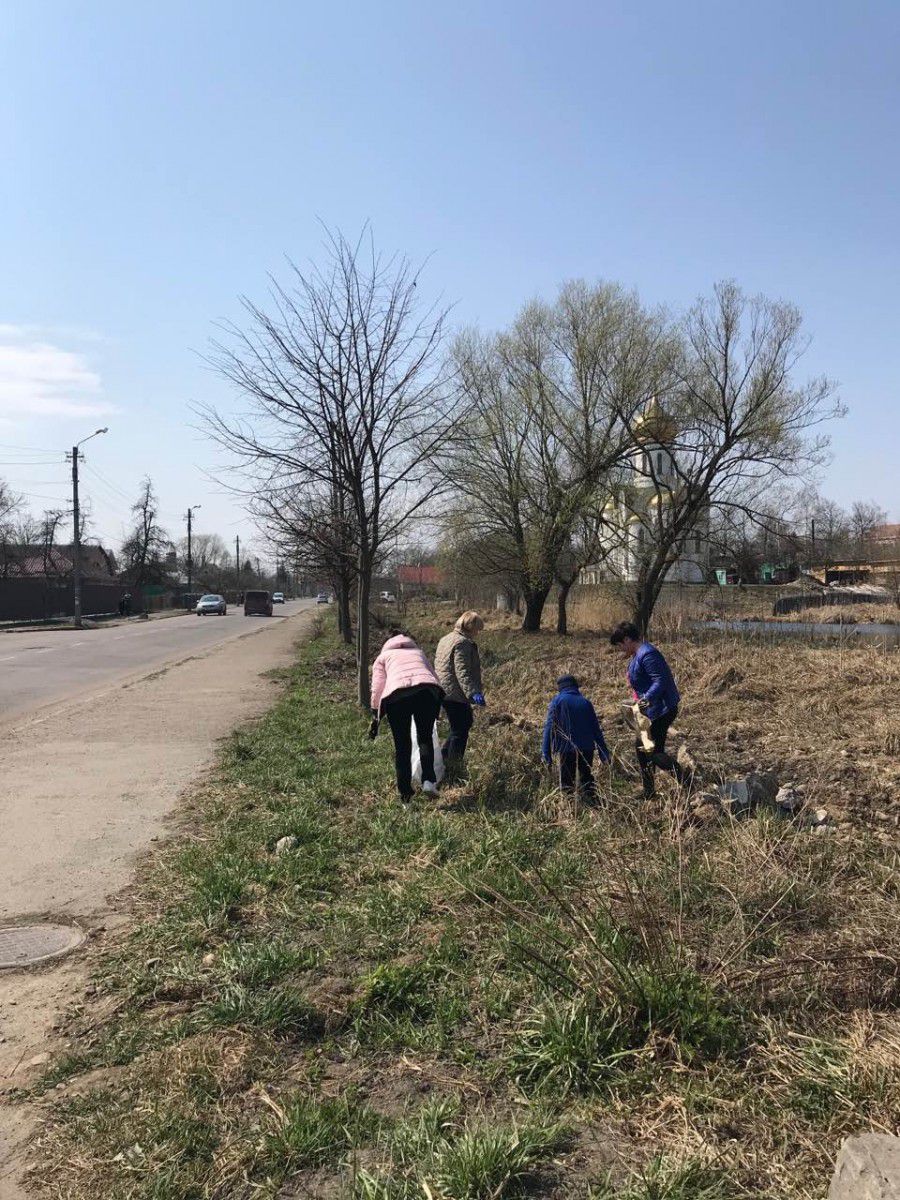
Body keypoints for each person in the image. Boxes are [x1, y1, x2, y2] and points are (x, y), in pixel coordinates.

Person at [609, 621, 691, 799]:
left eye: (620, 646)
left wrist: (645, 700)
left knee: (650, 750)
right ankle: (650, 790)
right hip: (649, 711)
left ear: (627, 639)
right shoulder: (639, 654)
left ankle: (684, 778)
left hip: (661, 710)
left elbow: (660, 681)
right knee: (645, 749)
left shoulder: (648, 654)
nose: (620, 650)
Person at [369, 629, 444, 800]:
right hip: (426, 692)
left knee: (402, 746)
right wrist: (439, 702)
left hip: (397, 697)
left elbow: (377, 688)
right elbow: (433, 676)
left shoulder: (383, 658)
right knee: (424, 738)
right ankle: (428, 782)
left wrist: (375, 715)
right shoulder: (418, 652)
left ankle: (405, 796)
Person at [541, 675, 611, 801]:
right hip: (587, 748)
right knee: (587, 779)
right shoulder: (585, 702)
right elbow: (596, 729)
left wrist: (546, 753)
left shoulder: (557, 701)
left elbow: (549, 728)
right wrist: (604, 753)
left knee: (567, 783)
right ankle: (593, 805)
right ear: (575, 686)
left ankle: (570, 810)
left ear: (560, 688)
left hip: (565, 749)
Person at [434, 611, 486, 765]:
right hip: (454, 693)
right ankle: (453, 765)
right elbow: (461, 671)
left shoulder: (446, 639)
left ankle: (443, 758)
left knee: (459, 726)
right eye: (477, 629)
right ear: (470, 626)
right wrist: (473, 692)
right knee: (461, 728)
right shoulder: (462, 643)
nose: (478, 633)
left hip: (443, 691)